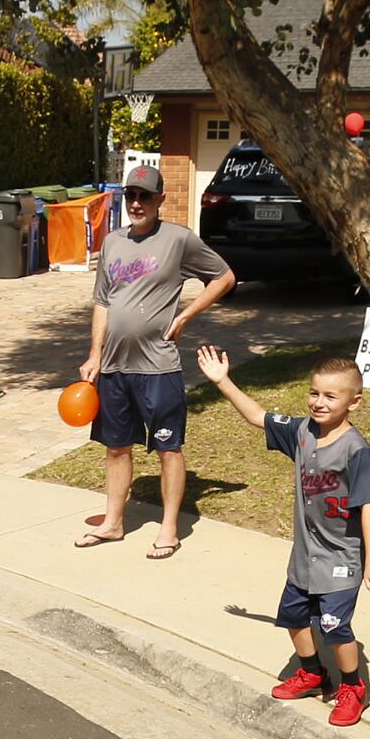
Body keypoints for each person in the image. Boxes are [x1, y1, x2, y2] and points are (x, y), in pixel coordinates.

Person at [196, 348, 370, 725]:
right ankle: (313, 673)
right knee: (294, 617)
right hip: (305, 554)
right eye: (314, 393)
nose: (319, 402)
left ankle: (352, 687)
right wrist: (222, 381)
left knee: (335, 626)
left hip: (341, 557)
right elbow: (257, 416)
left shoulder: (356, 450)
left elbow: (369, 506)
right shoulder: (302, 432)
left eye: (330, 396)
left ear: (355, 402)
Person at [75, 163, 236, 560]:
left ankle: (168, 529)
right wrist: (95, 354)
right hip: (114, 368)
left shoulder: (179, 240)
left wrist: (185, 316)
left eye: (145, 196)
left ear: (161, 199)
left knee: (168, 450)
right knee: (116, 448)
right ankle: (113, 523)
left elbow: (224, 277)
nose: (136, 202)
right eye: (131, 195)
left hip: (158, 368)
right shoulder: (112, 242)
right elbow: (102, 302)